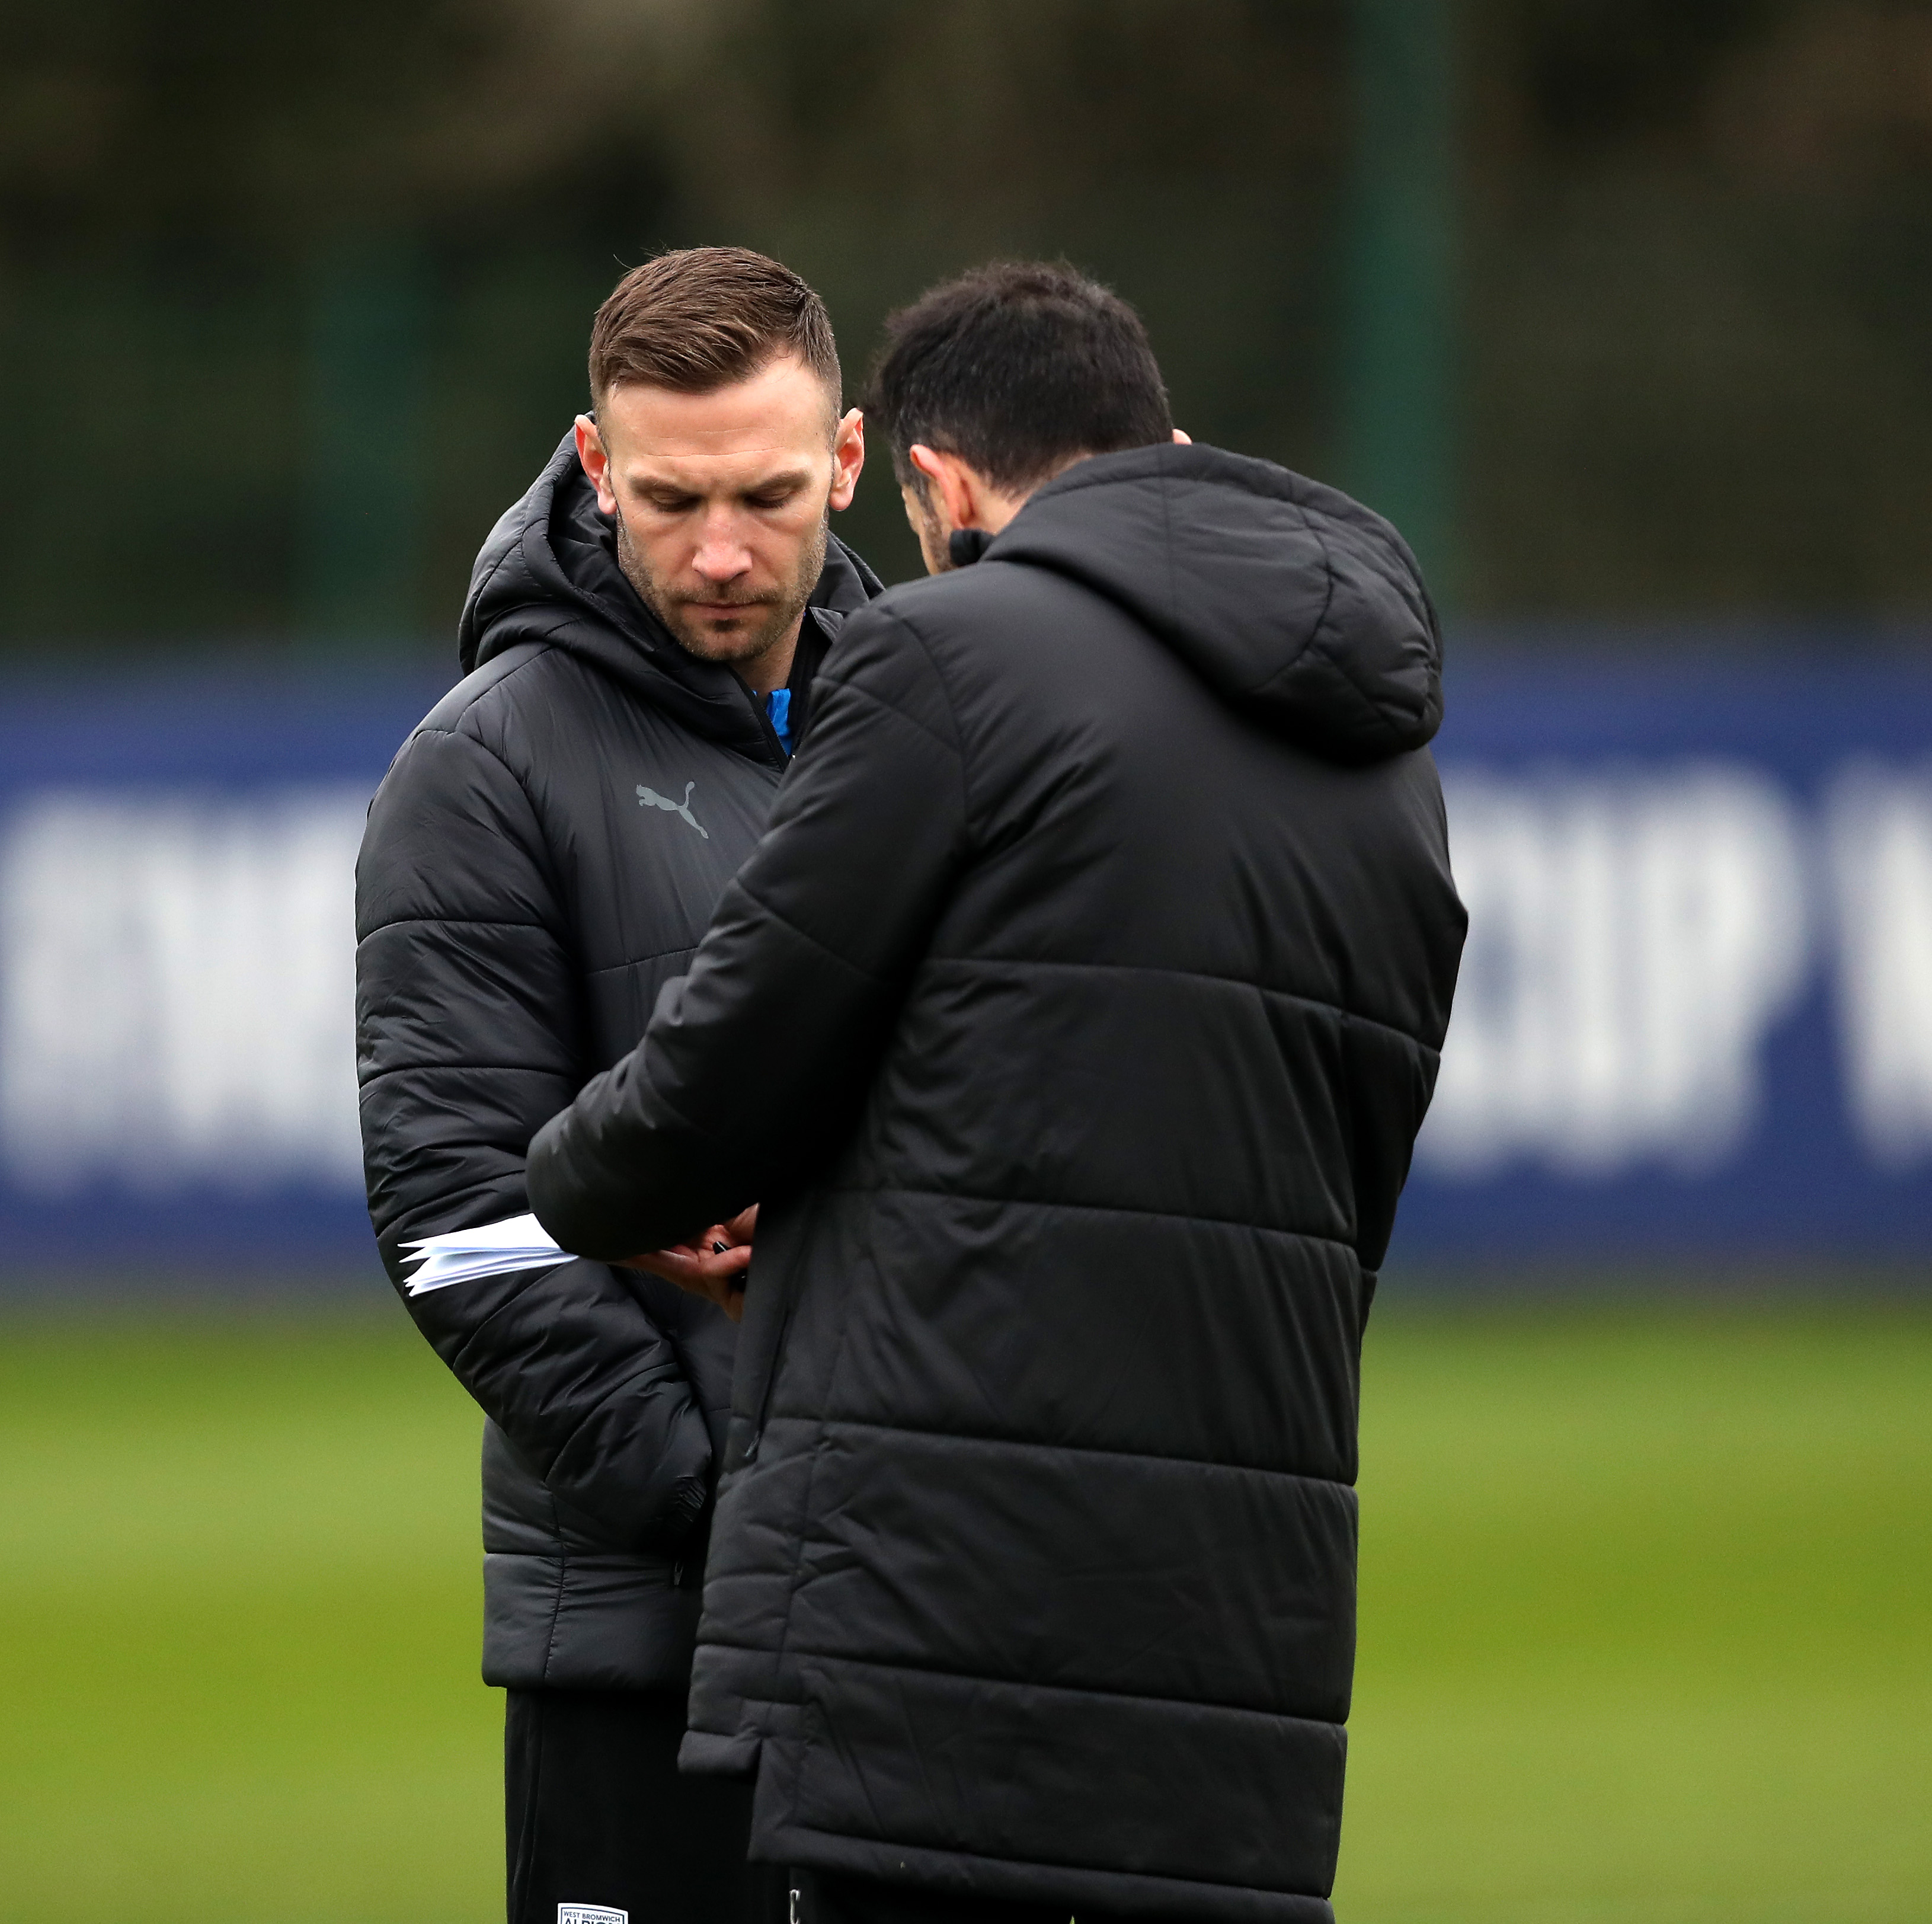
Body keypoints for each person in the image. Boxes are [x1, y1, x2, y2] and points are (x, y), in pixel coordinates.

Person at [524, 261, 1467, 1924]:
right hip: (1243, 1644)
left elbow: (722, 1074)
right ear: (1164, 444)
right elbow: (1353, 1190)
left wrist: (582, 1177)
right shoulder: (1385, 753)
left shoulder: (946, 661)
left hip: (939, 1638)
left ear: (937, 488)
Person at [353, 246, 878, 1924]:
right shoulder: (484, 770)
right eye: (669, 499)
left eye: (768, 495)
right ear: (594, 466)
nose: (721, 551)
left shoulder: (944, 719)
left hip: (921, 1627)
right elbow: (457, 1230)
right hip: (652, 1646)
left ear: (849, 464)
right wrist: (725, 1514)